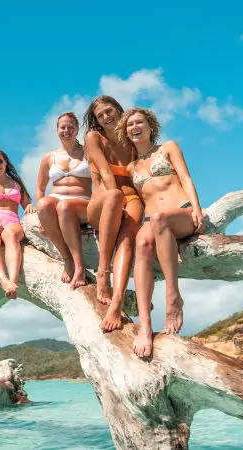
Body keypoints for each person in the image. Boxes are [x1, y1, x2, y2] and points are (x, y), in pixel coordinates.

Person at [118, 107, 204, 357]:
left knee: (159, 219)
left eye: (139, 122)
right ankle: (145, 326)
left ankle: (173, 295)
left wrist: (197, 209)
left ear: (150, 126)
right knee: (142, 243)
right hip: (152, 220)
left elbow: (186, 178)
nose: (134, 127)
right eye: (129, 125)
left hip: (181, 214)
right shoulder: (131, 167)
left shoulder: (168, 147)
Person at [82, 96, 143, 331]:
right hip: (103, 201)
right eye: (101, 115)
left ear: (119, 110)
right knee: (115, 196)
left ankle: (116, 303)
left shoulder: (132, 139)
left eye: (110, 111)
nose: (107, 117)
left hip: (132, 198)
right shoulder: (93, 138)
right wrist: (119, 204)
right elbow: (107, 176)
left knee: (127, 242)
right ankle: (102, 273)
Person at [35, 112, 92, 288]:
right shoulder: (48, 157)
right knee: (44, 204)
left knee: (65, 206)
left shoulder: (88, 152)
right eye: (63, 127)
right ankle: (67, 259)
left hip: (81, 201)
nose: (66, 130)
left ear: (77, 130)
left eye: (70, 127)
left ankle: (80, 266)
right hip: (56, 200)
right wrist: (41, 217)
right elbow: (40, 189)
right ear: (57, 130)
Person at [0, 148, 36, 298]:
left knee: (10, 235)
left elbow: (26, 204)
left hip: (12, 220)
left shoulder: (17, 183)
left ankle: (13, 282)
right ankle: (2, 279)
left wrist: (29, 206)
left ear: (6, 162)